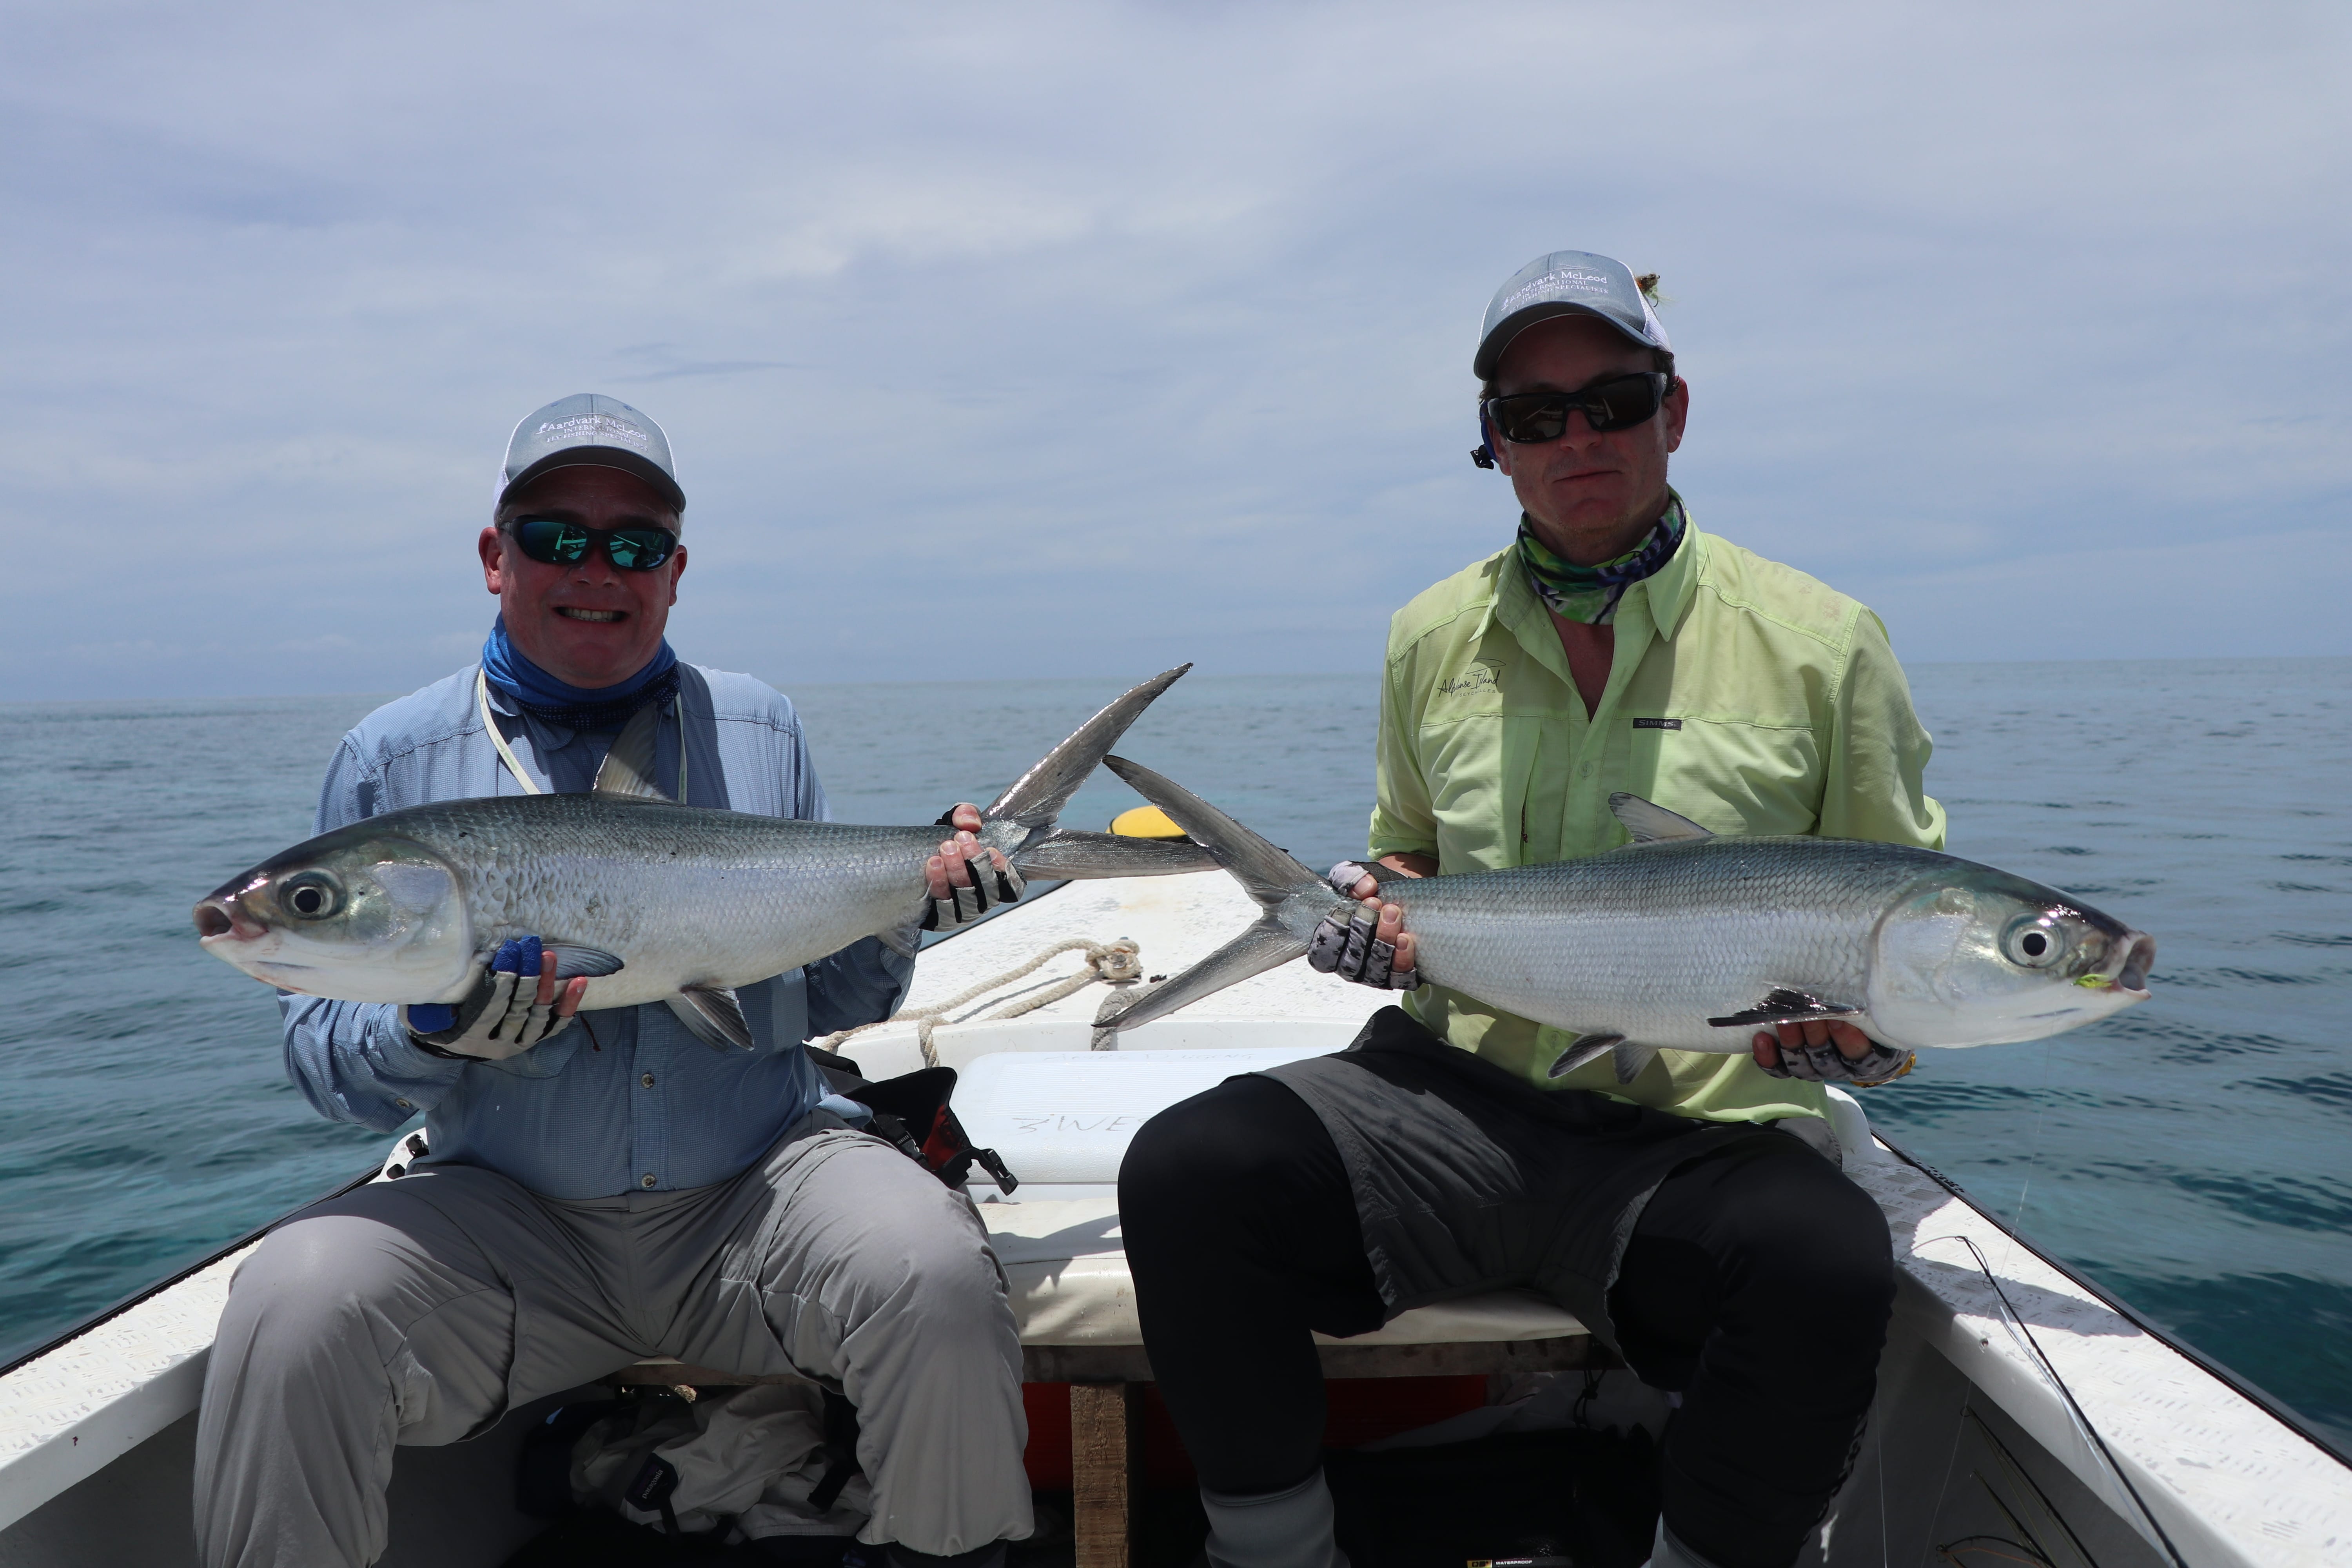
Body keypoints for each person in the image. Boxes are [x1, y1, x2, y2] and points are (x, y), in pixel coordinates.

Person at [1118, 255, 1945, 1568]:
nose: (1578, 439)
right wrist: (1363, 919)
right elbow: (1406, 867)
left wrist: (1872, 1048)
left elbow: (1897, 925)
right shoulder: (1429, 636)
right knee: (1191, 1172)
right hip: (1450, 1094)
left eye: (1612, 401)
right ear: (1492, 444)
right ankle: (1276, 1554)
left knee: (1826, 1263)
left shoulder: (1824, 640)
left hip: (1693, 1132)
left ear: (1674, 411)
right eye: (1534, 415)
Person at [193, 394, 1034, 1568]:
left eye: (635, 543)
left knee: (932, 1265)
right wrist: (430, 1034)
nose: (599, 568)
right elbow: (326, 1065)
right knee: (294, 1301)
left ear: (675, 571)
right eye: (557, 536)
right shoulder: (392, 760)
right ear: (498, 557)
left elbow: (839, 1000)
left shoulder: (759, 728)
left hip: (753, 1192)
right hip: (509, 1224)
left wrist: (916, 905)